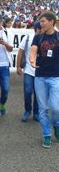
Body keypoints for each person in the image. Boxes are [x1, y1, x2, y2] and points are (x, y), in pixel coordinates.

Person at [29, 11, 59, 149]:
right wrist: (32, 60)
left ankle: (56, 124)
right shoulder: (38, 38)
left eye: (43, 21)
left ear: (51, 21)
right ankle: (46, 135)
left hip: (55, 77)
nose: (41, 24)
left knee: (56, 107)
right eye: (40, 22)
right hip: (40, 76)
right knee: (42, 109)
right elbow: (33, 51)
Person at [17, 22, 41, 122]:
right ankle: (27, 110)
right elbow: (20, 51)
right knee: (27, 91)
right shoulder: (27, 37)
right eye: (42, 28)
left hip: (41, 72)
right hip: (28, 70)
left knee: (38, 94)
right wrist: (18, 66)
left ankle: (36, 112)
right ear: (37, 29)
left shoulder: (46, 39)